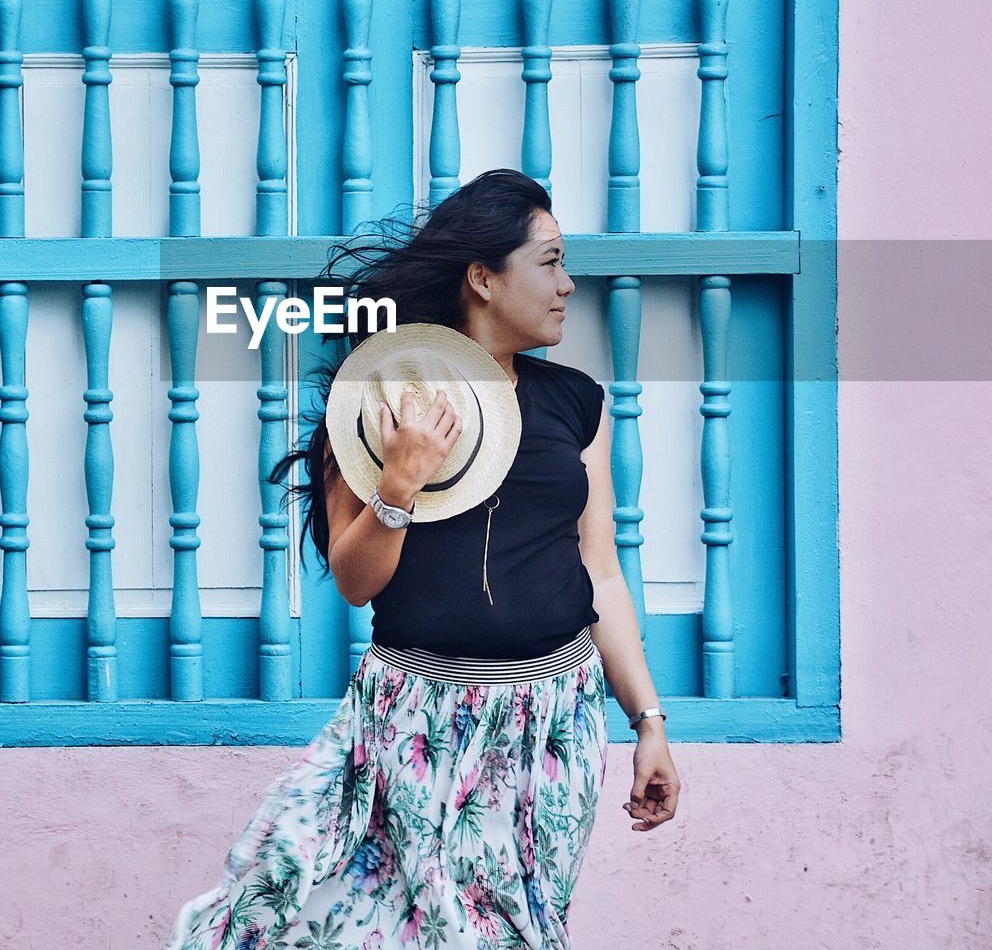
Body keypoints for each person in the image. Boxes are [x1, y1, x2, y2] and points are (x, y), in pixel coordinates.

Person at [161, 168, 680, 949]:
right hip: (410, 719)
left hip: (549, 725)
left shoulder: (578, 403)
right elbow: (356, 580)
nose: (568, 285)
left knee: (509, 935)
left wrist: (648, 723)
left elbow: (600, 571)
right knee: (282, 896)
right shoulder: (371, 399)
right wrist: (400, 480)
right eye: (549, 262)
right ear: (483, 278)